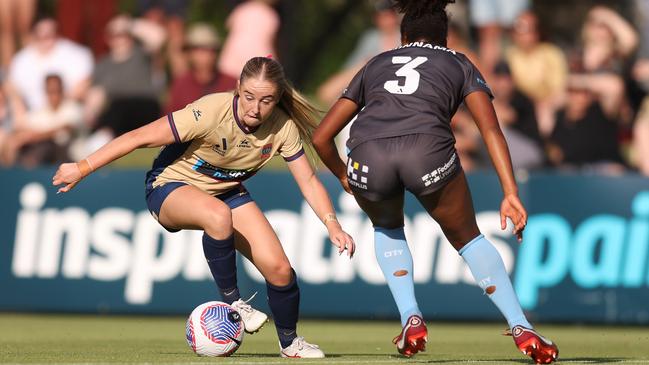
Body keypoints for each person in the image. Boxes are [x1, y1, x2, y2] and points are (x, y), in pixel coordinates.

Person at [52, 56, 355, 359]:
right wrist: (82, 167)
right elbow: (137, 137)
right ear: (238, 88)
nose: (255, 108)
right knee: (217, 215)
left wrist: (333, 225)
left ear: (277, 99)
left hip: (226, 192)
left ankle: (290, 343)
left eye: (266, 100)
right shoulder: (209, 111)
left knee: (280, 271)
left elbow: (309, 182)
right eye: (249, 96)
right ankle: (234, 304)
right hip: (168, 187)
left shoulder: (282, 128)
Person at [312, 0, 558, 363]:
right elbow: (490, 130)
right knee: (467, 238)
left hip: (368, 155)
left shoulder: (376, 63)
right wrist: (510, 192)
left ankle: (410, 316)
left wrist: (343, 174)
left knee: (387, 226)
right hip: (425, 152)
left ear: (403, 36)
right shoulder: (458, 62)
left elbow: (321, 137)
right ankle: (520, 325)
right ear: (444, 40)